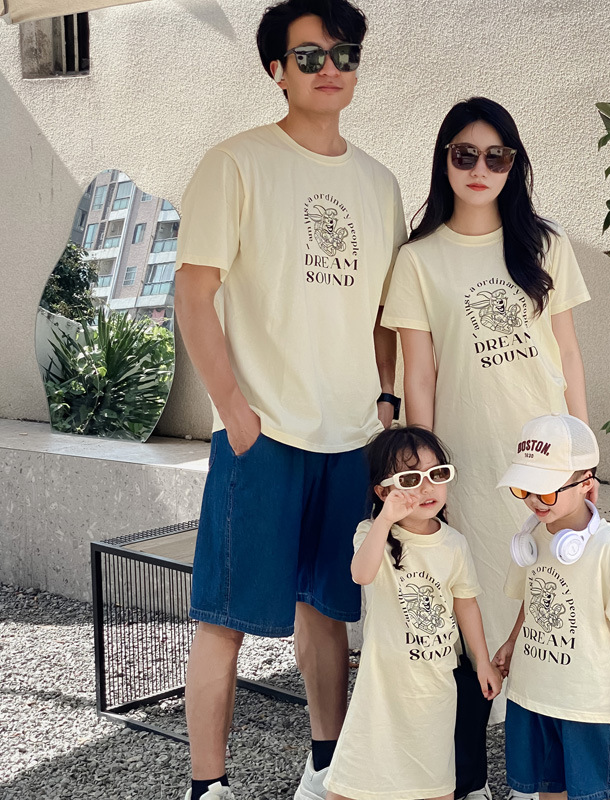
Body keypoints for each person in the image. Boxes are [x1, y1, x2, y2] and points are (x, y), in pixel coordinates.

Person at [173, 1, 406, 798]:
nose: (329, 68)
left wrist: (384, 403)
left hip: (349, 436)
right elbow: (194, 294)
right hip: (263, 435)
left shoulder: (379, 184)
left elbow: (381, 314)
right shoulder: (235, 164)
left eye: (344, 54)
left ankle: (327, 769)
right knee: (224, 618)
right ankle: (209, 785)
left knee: (328, 613)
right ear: (276, 69)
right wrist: (236, 413)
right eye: (309, 56)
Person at [381, 97, 591, 748]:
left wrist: (584, 460)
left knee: (550, 600)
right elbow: (419, 375)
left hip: (545, 461)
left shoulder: (547, 245)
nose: (480, 169)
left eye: (497, 157)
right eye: (465, 154)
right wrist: (425, 478)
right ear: (444, 160)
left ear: (514, 165)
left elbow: (569, 356)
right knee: (471, 601)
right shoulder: (419, 259)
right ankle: (467, 768)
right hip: (466, 459)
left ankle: (539, 768)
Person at [324, 426, 503, 800]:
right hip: (382, 688)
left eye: (437, 474)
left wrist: (483, 661)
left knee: (434, 781)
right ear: (383, 491)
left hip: (435, 686)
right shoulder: (371, 532)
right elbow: (361, 574)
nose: (426, 487)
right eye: (410, 479)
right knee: (352, 781)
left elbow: (466, 603)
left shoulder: (453, 543)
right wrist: (385, 520)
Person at [493, 413, 610, 800]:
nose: (534, 501)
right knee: (549, 784)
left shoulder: (608, 550)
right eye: (524, 489)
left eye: (546, 492)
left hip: (586, 699)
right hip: (534, 691)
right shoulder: (531, 538)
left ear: (586, 484)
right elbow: (533, 598)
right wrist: (513, 641)